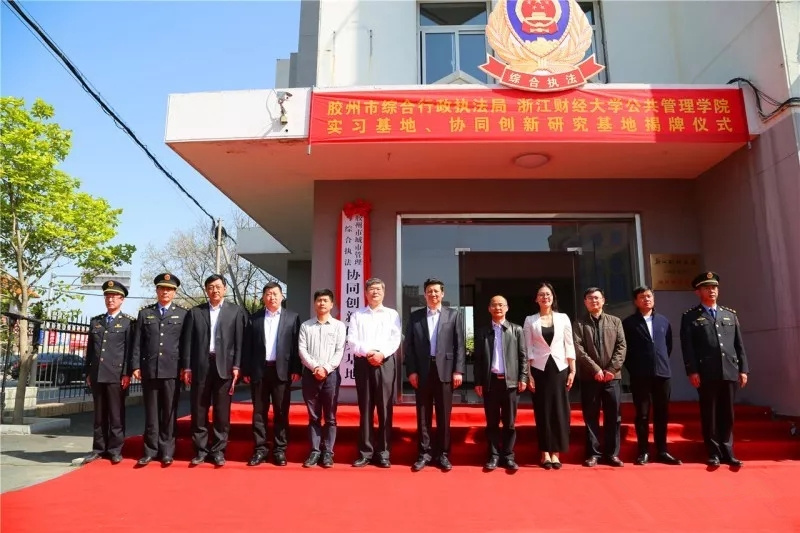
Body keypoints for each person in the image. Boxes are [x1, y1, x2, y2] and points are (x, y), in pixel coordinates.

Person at [680, 271, 749, 468]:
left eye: (714, 288)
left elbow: (739, 345)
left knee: (727, 413)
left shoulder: (729, 314)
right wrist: (692, 371)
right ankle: (713, 452)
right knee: (709, 413)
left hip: (729, 370)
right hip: (706, 371)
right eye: (707, 288)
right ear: (698, 292)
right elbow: (688, 347)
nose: (712, 291)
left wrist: (743, 369)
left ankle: (728, 450)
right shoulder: (690, 316)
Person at [181, 274, 247, 467]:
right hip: (201, 366)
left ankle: (218, 451)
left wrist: (237, 366)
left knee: (221, 412)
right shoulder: (196, 312)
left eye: (218, 287)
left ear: (225, 289)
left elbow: (240, 342)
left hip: (224, 367)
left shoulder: (235, 311)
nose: (215, 290)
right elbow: (187, 342)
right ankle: (200, 450)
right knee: (198, 409)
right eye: (211, 287)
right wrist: (187, 367)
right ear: (206, 290)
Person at [403, 278, 466, 472]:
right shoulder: (416, 317)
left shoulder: (453, 315)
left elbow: (460, 345)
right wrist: (411, 371)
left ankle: (443, 454)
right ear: (425, 294)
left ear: (442, 293)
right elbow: (409, 346)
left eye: (436, 291)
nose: (433, 294)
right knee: (423, 415)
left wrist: (458, 370)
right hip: (422, 371)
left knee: (444, 415)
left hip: (445, 370)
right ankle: (424, 454)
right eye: (429, 291)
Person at [131, 273, 189, 467]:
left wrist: (185, 367)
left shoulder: (183, 314)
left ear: (175, 293)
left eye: (169, 289)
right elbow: (137, 343)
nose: (165, 292)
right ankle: (150, 451)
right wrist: (136, 365)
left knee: (169, 414)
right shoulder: (145, 314)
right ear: (156, 290)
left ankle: (167, 452)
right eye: (162, 288)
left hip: (172, 371)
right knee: (151, 413)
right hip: (150, 370)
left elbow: (185, 344)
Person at [242, 282, 301, 467]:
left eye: (275, 294)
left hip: (282, 371)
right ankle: (260, 449)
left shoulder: (292, 318)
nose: (272, 297)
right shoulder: (254, 318)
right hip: (259, 371)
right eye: (268, 294)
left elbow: (296, 346)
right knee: (259, 412)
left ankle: (279, 450)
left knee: (281, 412)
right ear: (263, 297)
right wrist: (246, 370)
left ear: (282, 296)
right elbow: (247, 346)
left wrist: (296, 369)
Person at [622, 285, 682, 466]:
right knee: (642, 414)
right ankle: (643, 451)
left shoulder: (663, 321)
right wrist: (634, 368)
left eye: (649, 296)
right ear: (636, 301)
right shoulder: (629, 323)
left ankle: (662, 450)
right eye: (642, 297)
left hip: (662, 374)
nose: (646, 299)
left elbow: (668, 346)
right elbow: (625, 350)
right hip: (640, 375)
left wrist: (660, 363)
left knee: (662, 413)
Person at [346, 278, 401, 469]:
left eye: (378, 289)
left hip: (385, 362)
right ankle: (365, 453)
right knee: (366, 408)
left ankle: (384, 453)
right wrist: (368, 352)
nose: (375, 292)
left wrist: (381, 354)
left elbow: (395, 339)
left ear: (383, 293)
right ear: (366, 293)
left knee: (385, 408)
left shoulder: (392, 314)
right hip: (363, 362)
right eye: (371, 289)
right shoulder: (357, 315)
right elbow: (352, 340)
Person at [523, 282, 576, 470]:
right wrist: (528, 374)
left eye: (548, 294)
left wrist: (573, 370)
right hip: (539, 368)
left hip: (560, 367)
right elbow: (527, 348)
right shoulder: (530, 320)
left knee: (560, 410)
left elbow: (569, 344)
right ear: (536, 299)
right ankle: (545, 452)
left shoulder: (563, 318)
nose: (545, 297)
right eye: (541, 294)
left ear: (553, 297)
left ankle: (556, 452)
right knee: (543, 410)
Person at [573, 287, 627, 467]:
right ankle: (593, 454)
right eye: (590, 298)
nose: (593, 301)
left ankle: (612, 454)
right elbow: (578, 349)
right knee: (591, 416)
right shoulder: (579, 324)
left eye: (597, 298)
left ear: (603, 300)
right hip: (590, 377)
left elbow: (621, 347)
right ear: (585, 302)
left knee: (614, 416)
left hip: (613, 377)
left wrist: (612, 369)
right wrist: (595, 369)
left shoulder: (615, 321)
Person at [82, 280, 134, 465]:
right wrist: (88, 372)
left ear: (122, 299)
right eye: (107, 296)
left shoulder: (128, 323)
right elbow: (90, 350)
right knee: (99, 414)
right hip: (97, 373)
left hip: (116, 375)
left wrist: (126, 373)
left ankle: (115, 449)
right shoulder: (96, 321)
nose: (110, 300)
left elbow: (129, 351)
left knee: (116, 414)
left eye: (114, 297)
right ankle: (98, 448)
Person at [473, 295, 527, 471]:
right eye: (494, 305)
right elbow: (478, 360)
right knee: (492, 422)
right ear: (489, 308)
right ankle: (494, 456)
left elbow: (523, 356)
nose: (498, 308)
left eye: (501, 305)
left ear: (507, 308)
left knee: (510, 423)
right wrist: (478, 381)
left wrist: (523, 377)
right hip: (491, 382)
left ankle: (509, 456)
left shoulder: (516, 330)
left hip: (510, 383)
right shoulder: (482, 332)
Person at [298, 289, 346, 468]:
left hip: (331, 375)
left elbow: (339, 351)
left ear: (332, 304)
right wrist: (315, 367)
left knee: (330, 416)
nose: (322, 303)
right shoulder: (306, 326)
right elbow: (302, 350)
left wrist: (325, 368)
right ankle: (315, 451)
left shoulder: (339, 326)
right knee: (314, 416)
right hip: (310, 375)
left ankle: (328, 453)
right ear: (314, 304)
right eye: (319, 300)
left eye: (325, 300)